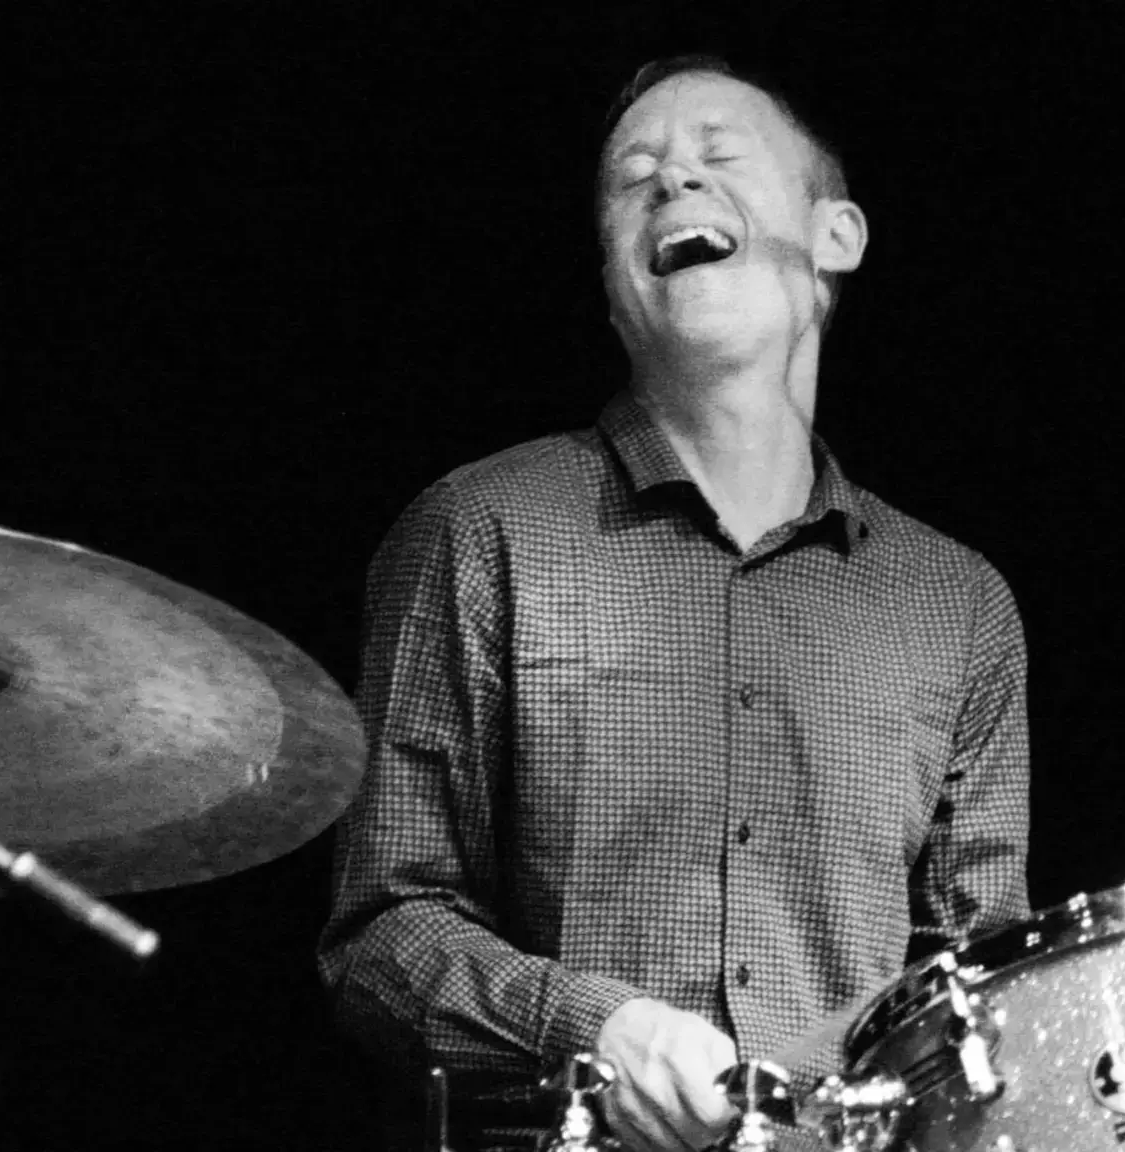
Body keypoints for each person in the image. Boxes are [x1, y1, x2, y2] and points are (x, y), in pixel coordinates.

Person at [318, 54, 1030, 1152]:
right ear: (612, 282)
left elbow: (980, 987)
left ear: (834, 236)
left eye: (719, 159)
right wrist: (596, 1031)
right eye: (633, 177)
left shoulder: (959, 604)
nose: (671, 185)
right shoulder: (478, 529)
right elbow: (379, 937)